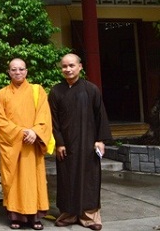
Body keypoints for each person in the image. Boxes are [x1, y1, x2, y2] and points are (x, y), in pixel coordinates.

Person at [49, 54, 112, 231]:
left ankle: (90, 216)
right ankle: (69, 214)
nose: (68, 69)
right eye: (64, 66)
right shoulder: (56, 91)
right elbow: (53, 121)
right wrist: (59, 143)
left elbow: (101, 115)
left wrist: (100, 140)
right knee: (67, 178)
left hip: (88, 142)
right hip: (67, 145)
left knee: (89, 179)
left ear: (80, 67)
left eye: (71, 65)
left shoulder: (91, 89)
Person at [0, 58, 53, 230]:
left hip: (32, 146)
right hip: (13, 147)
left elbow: (44, 116)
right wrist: (21, 132)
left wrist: (35, 132)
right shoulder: (1, 94)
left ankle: (35, 217)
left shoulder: (37, 91)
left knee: (33, 182)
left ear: (26, 71)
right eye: (13, 69)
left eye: (21, 69)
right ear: (9, 72)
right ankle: (15, 216)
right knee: (13, 182)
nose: (17, 72)